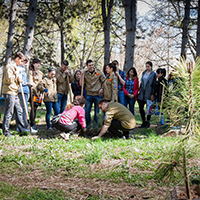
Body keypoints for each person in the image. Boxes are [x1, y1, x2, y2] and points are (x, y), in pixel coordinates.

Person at [2, 52, 28, 137]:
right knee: (9, 111)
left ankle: (21, 129)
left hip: (14, 91)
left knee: (19, 110)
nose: (21, 63)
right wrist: (17, 73)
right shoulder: (9, 66)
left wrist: (19, 79)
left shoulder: (16, 67)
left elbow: (15, 79)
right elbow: (9, 80)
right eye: (21, 61)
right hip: (9, 91)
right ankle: (6, 131)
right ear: (17, 59)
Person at [81, 59, 106, 128]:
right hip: (89, 95)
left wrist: (102, 89)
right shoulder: (85, 74)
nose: (91, 66)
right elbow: (81, 84)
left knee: (97, 111)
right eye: (89, 65)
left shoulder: (98, 72)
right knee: (87, 111)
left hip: (97, 95)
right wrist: (81, 75)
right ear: (87, 66)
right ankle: (88, 125)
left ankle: (95, 125)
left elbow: (104, 81)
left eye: (92, 65)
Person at [17, 56, 38, 133]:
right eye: (25, 62)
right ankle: (26, 126)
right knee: (23, 109)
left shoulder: (23, 70)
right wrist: (28, 83)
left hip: (26, 91)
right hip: (22, 91)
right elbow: (20, 81)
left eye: (27, 63)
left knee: (24, 109)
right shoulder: (19, 69)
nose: (26, 64)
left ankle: (23, 126)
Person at [137, 61, 157, 128]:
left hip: (149, 92)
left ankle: (148, 122)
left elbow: (154, 84)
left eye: (148, 66)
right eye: (146, 66)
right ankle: (143, 121)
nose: (147, 68)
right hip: (142, 92)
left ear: (151, 66)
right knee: (141, 107)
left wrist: (153, 94)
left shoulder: (153, 74)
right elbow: (141, 82)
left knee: (149, 108)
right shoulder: (143, 73)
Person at [28, 58, 43, 131]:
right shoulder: (31, 72)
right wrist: (36, 93)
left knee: (35, 108)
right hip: (33, 93)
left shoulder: (40, 73)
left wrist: (41, 93)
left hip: (39, 93)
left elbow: (41, 84)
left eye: (39, 63)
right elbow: (31, 83)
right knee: (33, 108)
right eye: (37, 63)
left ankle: (33, 123)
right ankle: (31, 124)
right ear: (33, 64)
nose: (38, 65)